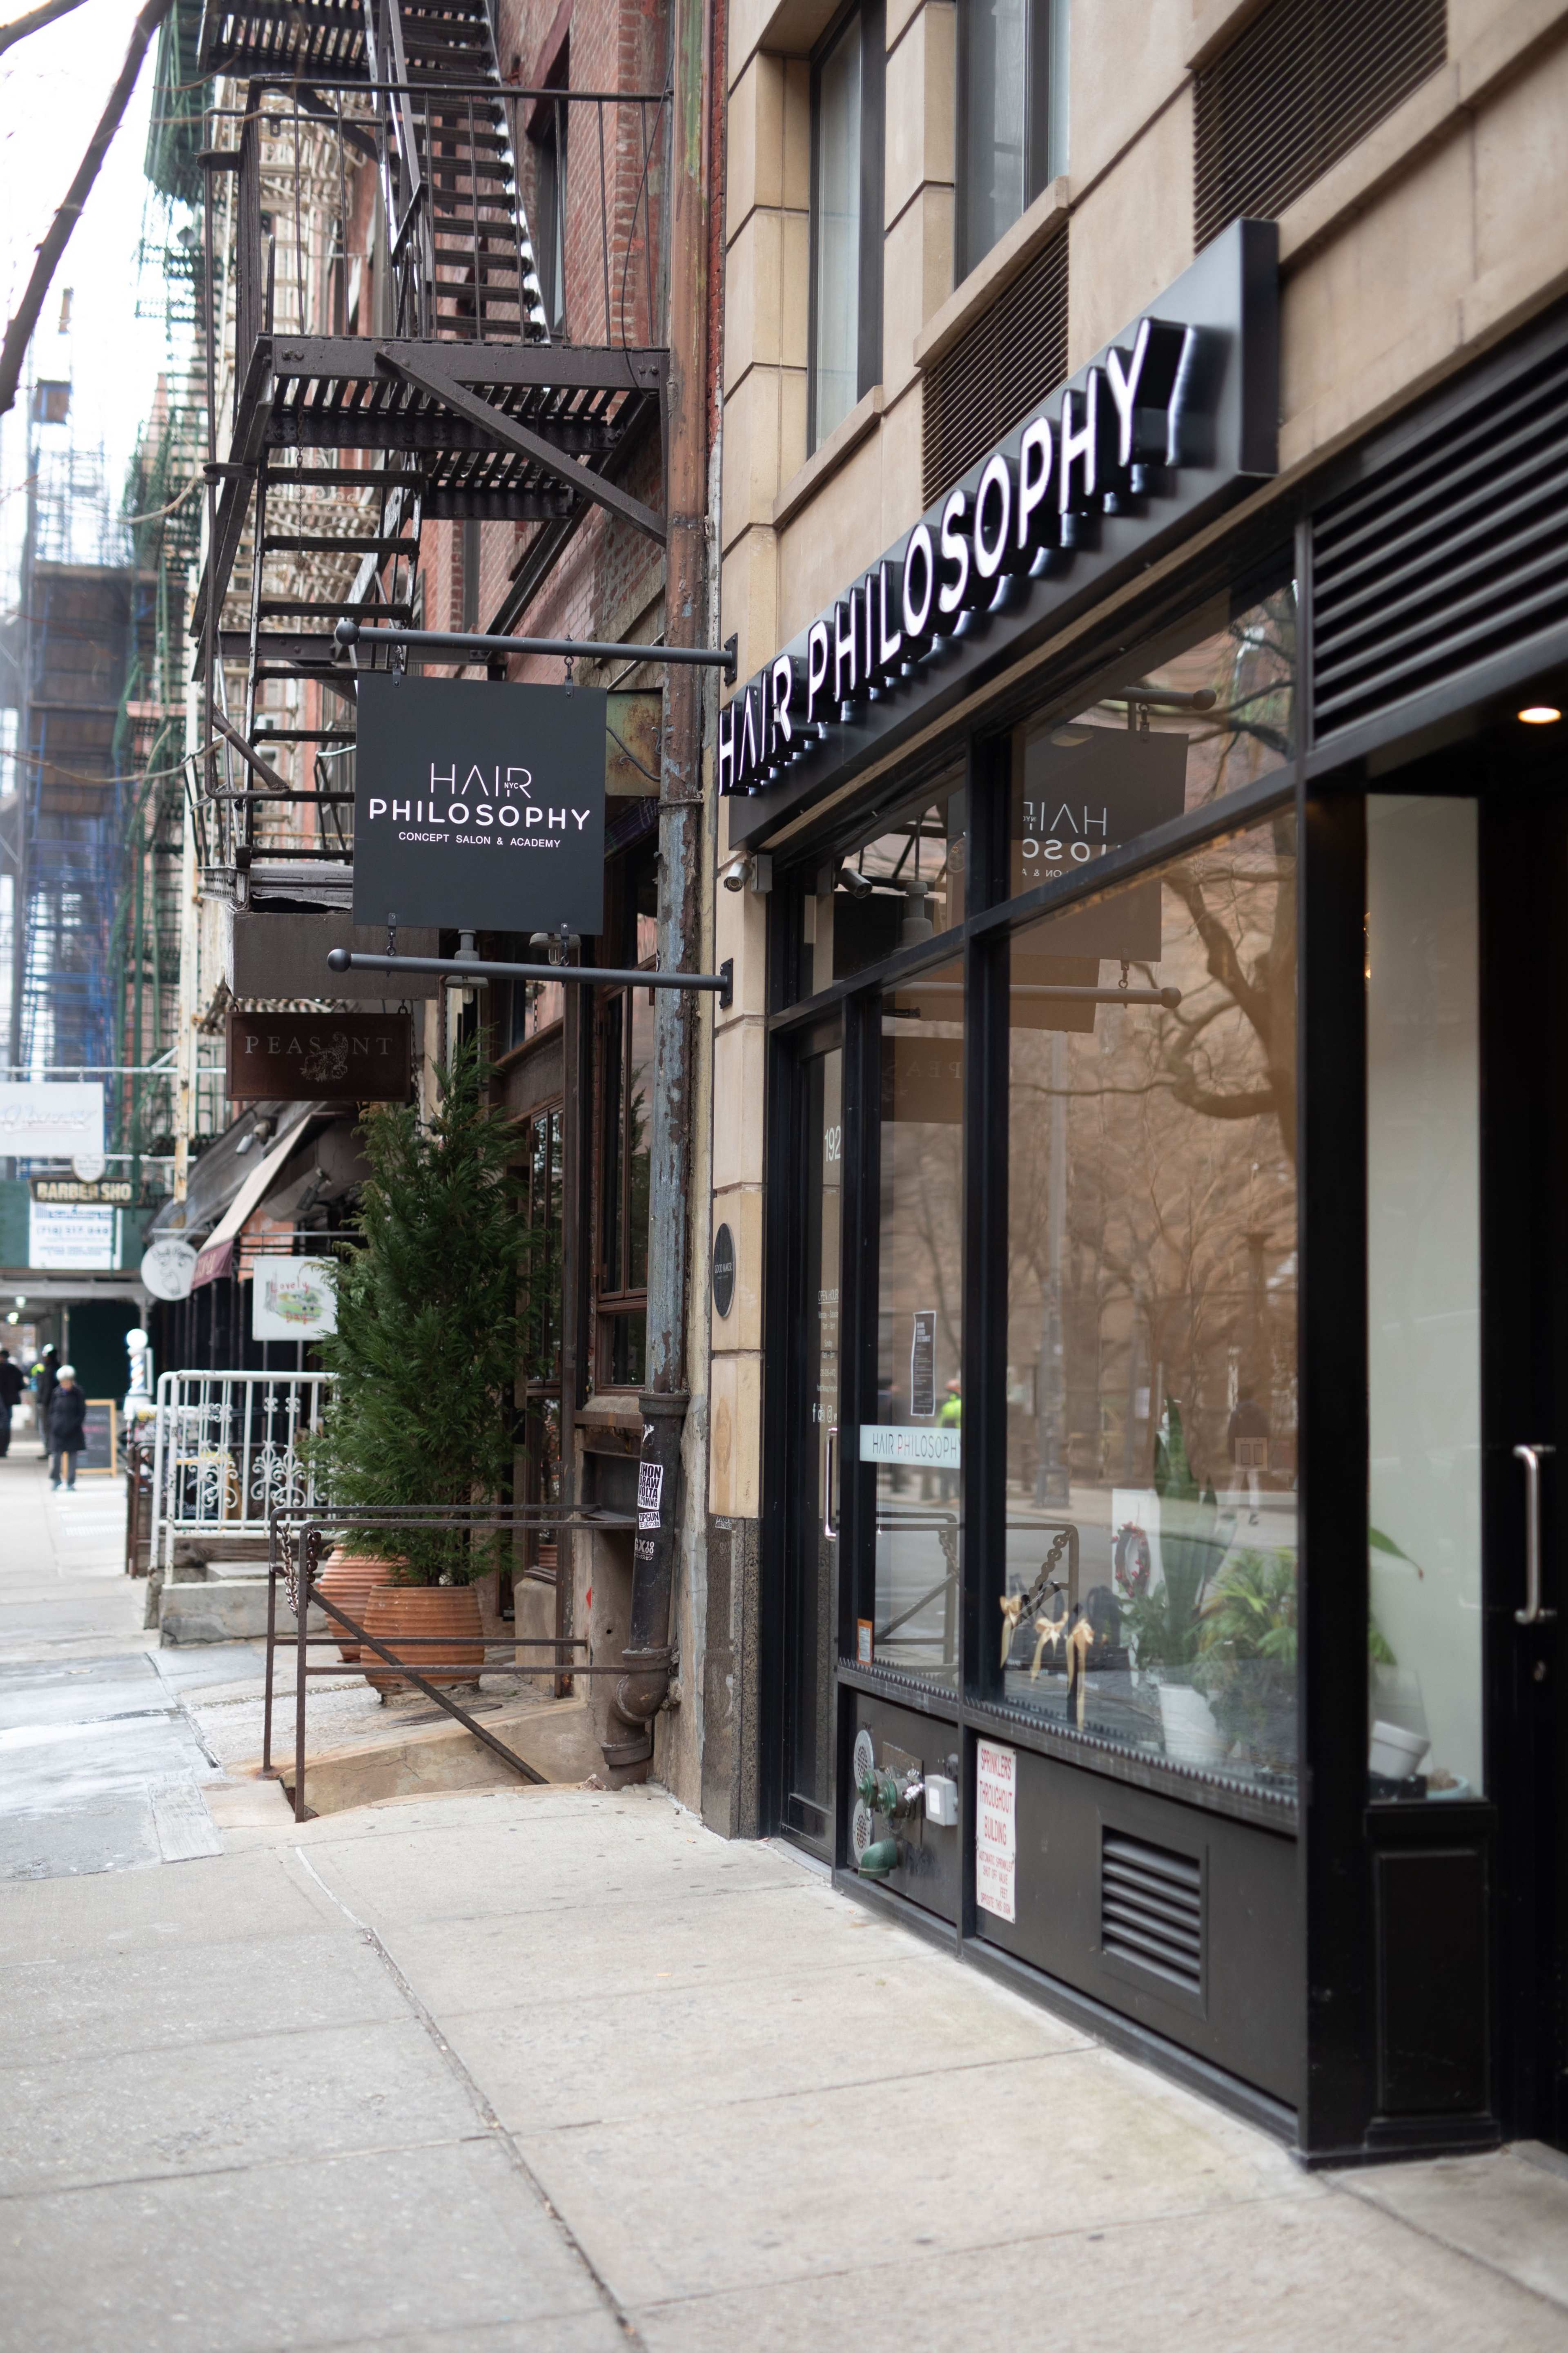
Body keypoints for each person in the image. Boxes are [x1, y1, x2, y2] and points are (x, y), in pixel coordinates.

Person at [46, 1365, 87, 1491]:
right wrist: (54, 1424)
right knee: (57, 1457)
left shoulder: (78, 1393)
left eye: (67, 1382)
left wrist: (74, 1425)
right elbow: (52, 1411)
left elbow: (82, 1412)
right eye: (63, 1382)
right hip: (58, 1430)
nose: (65, 1385)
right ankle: (56, 1480)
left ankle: (71, 1482)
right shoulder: (56, 1393)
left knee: (72, 1457)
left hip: (73, 1430)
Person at [33, 1345, 58, 1459]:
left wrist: (43, 1402)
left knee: (47, 1427)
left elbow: (47, 1388)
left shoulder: (49, 1369)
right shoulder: (54, 1367)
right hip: (52, 1402)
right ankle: (51, 1449)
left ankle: (49, 1449)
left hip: (48, 1404)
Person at [0, 1346, 20, 1459]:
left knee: (5, 1423)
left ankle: (2, 1448)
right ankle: (4, 1448)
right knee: (7, 1423)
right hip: (9, 1401)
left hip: (5, 1400)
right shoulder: (13, 1369)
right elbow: (20, 1384)